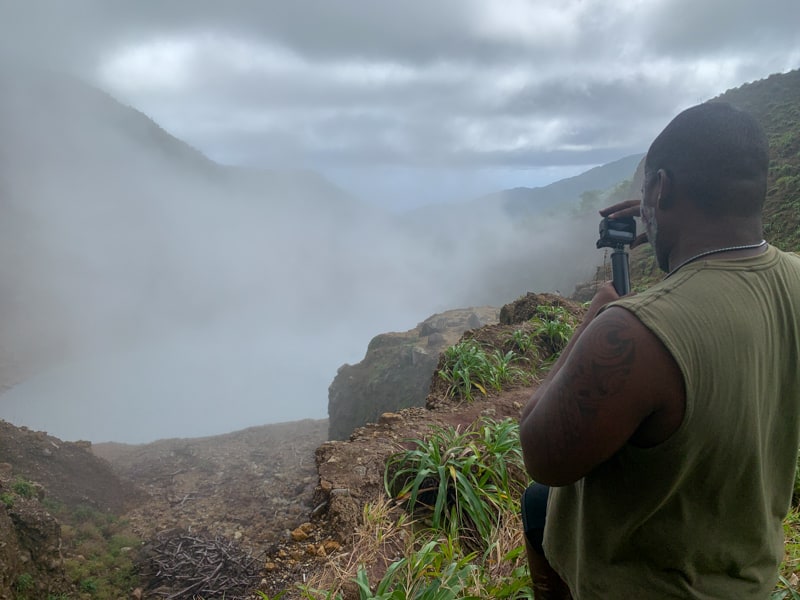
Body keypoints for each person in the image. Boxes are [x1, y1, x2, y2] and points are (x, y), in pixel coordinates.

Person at [518, 101, 800, 599]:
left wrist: (597, 318)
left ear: (660, 188)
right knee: (541, 504)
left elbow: (541, 452)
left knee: (539, 491)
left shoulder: (635, 331)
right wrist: (666, 230)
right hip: (748, 574)